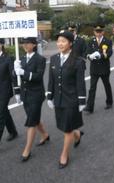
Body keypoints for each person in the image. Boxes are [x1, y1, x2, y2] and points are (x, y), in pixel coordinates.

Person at [46, 30, 86, 169]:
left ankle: (64, 155)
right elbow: (51, 79)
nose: (60, 44)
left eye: (63, 41)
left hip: (72, 100)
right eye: (58, 41)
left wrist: (82, 100)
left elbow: (80, 82)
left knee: (67, 128)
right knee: (63, 126)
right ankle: (77, 134)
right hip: (58, 99)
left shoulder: (78, 61)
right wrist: (49, 96)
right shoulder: (54, 59)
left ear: (70, 43)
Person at [14, 37, 49, 162]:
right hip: (25, 93)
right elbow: (16, 76)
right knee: (34, 117)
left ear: (34, 45)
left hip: (36, 94)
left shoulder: (40, 59)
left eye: (27, 43)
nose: (25, 45)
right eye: (23, 43)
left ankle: (27, 150)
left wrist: (23, 72)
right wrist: (15, 70)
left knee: (31, 121)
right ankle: (45, 134)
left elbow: (38, 77)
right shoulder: (21, 59)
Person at [84, 25, 113, 113]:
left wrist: (102, 55)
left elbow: (110, 52)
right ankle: (90, 107)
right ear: (94, 32)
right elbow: (87, 52)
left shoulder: (107, 41)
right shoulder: (91, 41)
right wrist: (90, 56)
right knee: (92, 88)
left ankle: (109, 102)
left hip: (104, 67)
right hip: (94, 68)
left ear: (103, 32)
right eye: (97, 31)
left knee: (107, 85)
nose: (98, 33)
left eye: (100, 31)